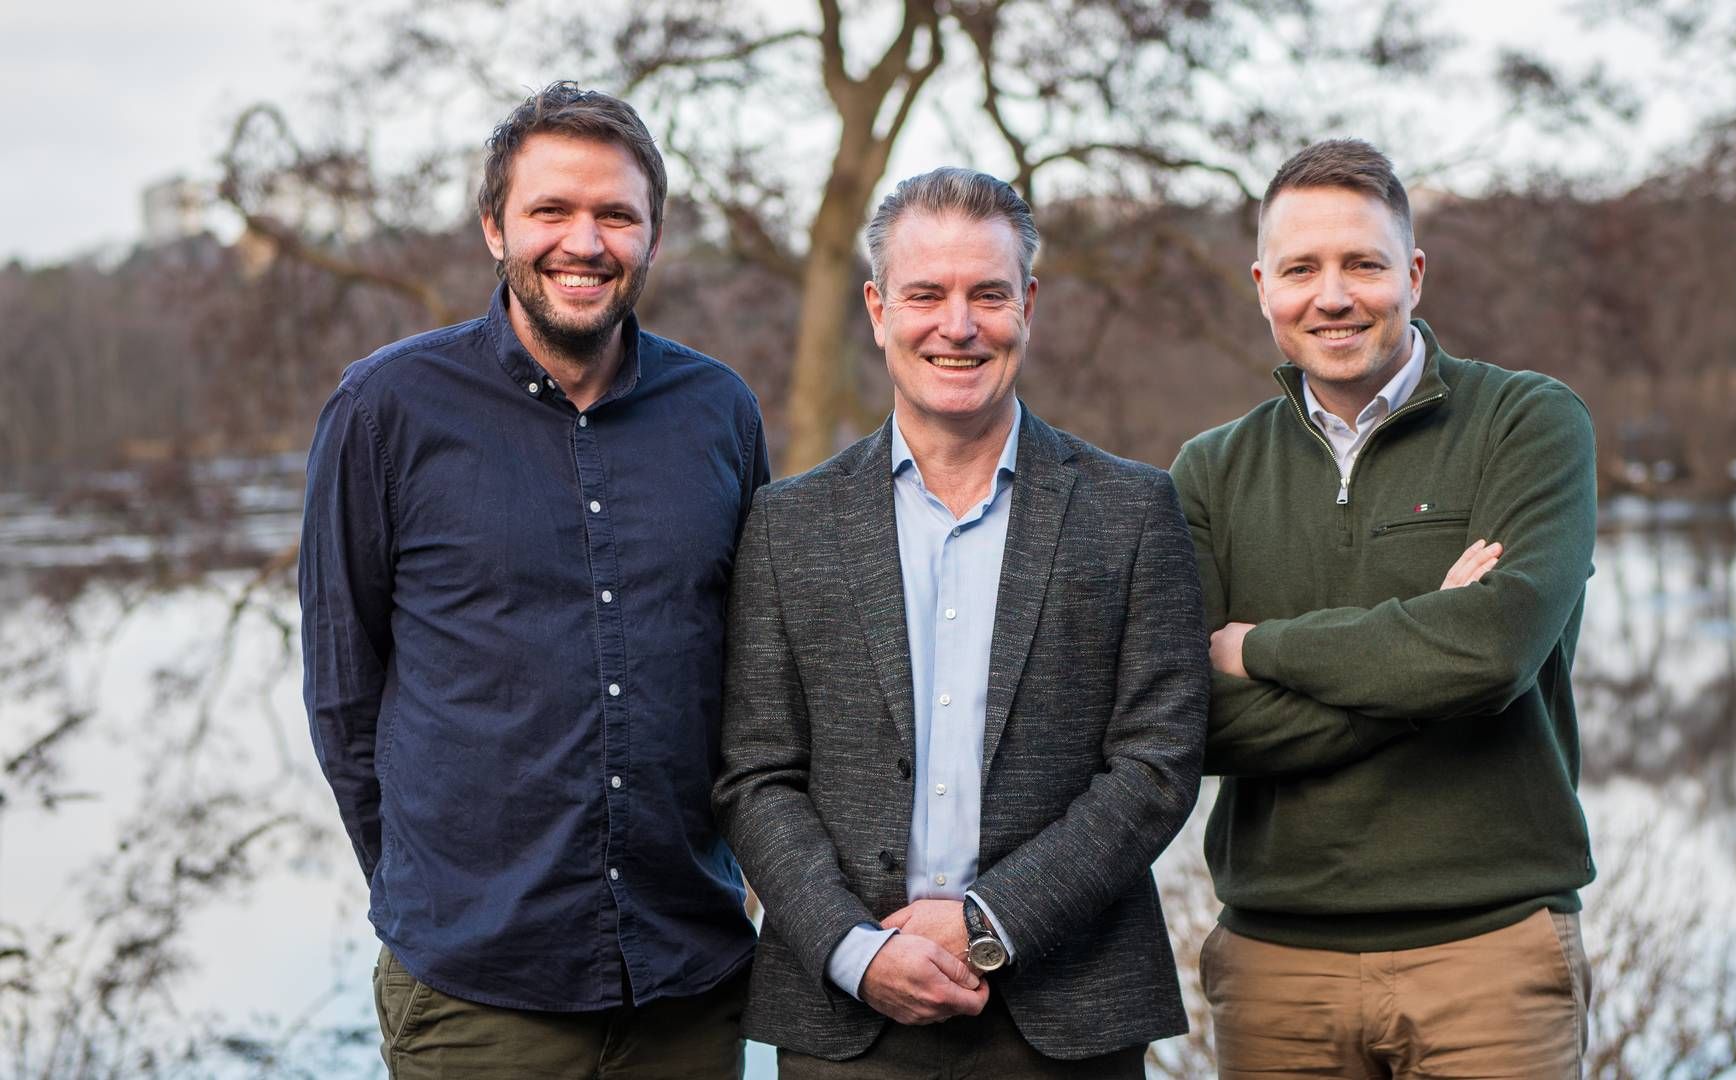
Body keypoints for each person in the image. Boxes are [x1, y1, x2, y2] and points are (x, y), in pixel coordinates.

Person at [300, 81, 765, 1079]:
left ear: (653, 233)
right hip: (476, 998)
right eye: (551, 210)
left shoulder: (719, 412)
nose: (583, 242)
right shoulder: (386, 411)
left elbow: (752, 678)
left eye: (615, 214)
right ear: (494, 227)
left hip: (688, 984)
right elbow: (343, 693)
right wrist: (429, 889)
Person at [714, 167, 1208, 1077]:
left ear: (1029, 302)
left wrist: (992, 921)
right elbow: (756, 774)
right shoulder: (789, 525)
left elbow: (1156, 763)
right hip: (845, 1020)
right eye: (926, 293)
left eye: (987, 292)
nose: (958, 324)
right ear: (876, 307)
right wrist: (855, 950)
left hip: (1066, 1018)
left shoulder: (1132, 512)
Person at [1172, 138, 1597, 1078]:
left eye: (1363, 263)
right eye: (1301, 269)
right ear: (1261, 286)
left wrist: (1259, 648)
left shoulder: (1529, 424)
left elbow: (1489, 656)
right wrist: (1421, 649)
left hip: (1490, 956)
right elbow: (1190, 722)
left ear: (1412, 273)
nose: (1333, 295)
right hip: (1277, 969)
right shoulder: (1208, 472)